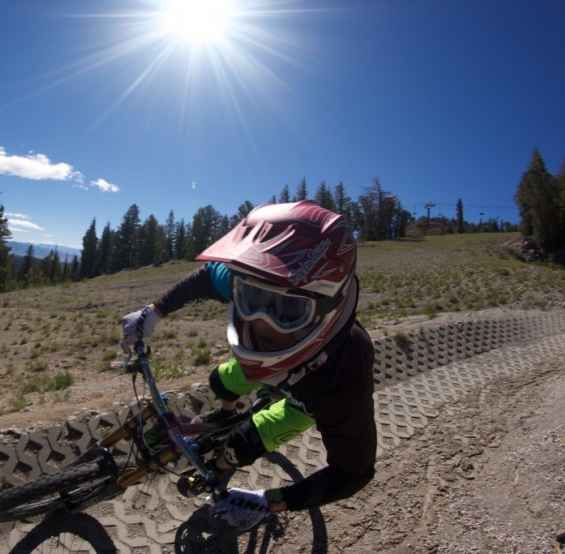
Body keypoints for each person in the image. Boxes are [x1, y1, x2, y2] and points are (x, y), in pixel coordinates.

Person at [120, 200, 376, 530]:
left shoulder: (343, 377)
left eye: (286, 311)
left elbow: (354, 472)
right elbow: (210, 275)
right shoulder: (262, 278)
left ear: (326, 308)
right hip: (287, 366)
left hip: (310, 384)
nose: (258, 322)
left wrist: (270, 502)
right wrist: (153, 311)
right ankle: (228, 411)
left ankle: (225, 462)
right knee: (220, 381)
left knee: (244, 444)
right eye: (249, 300)